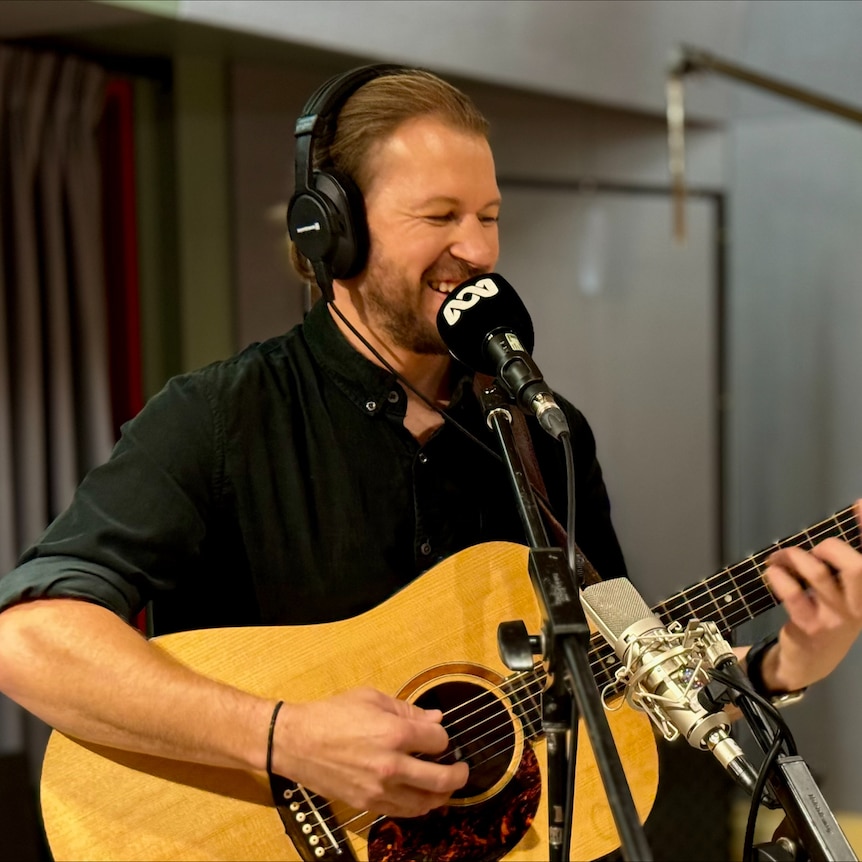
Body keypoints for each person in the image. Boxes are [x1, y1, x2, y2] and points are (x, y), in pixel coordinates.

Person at [0, 64, 860, 832]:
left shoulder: (541, 431)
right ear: (330, 232)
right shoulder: (218, 418)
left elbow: (617, 672)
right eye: (439, 216)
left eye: (488, 215)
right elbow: (29, 639)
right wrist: (285, 738)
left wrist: (785, 664)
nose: (479, 251)